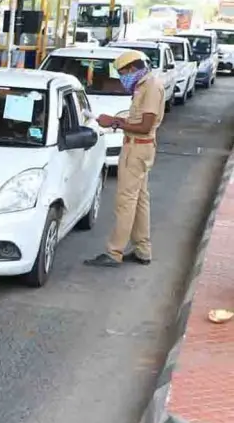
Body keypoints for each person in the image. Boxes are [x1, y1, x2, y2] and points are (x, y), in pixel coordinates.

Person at [85, 50, 165, 268]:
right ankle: (142, 250)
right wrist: (117, 121)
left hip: (137, 149)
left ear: (132, 69)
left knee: (125, 202)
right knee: (139, 201)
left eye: (122, 73)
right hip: (138, 148)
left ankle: (114, 252)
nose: (122, 79)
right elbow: (139, 121)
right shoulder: (144, 86)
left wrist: (114, 122)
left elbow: (145, 126)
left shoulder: (150, 87)